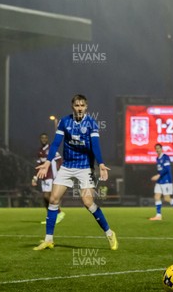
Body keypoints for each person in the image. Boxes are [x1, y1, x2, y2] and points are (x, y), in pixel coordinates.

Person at [34, 94, 117, 251]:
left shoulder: (91, 124)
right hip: (67, 166)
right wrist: (47, 162)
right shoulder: (65, 122)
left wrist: (101, 164)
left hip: (85, 167)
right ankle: (48, 239)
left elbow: (95, 145)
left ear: (86, 107)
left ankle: (109, 232)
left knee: (87, 202)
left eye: (82, 105)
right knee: (53, 200)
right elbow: (56, 144)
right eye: (77, 105)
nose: (79, 108)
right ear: (72, 107)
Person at [32, 133, 65, 224]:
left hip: (51, 176)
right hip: (43, 177)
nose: (43, 139)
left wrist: (59, 172)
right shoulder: (40, 151)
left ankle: (59, 213)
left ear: (47, 139)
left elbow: (59, 160)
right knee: (45, 198)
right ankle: (50, 217)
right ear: (40, 139)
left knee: (47, 196)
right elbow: (39, 165)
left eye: (45, 138)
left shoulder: (51, 149)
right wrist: (35, 177)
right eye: (42, 138)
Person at [148, 143, 173, 221]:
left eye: (159, 148)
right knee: (157, 196)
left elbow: (167, 169)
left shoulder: (166, 157)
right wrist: (158, 176)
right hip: (160, 180)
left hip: (166, 180)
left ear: (161, 149)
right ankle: (158, 215)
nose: (157, 150)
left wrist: (158, 175)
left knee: (167, 198)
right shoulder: (157, 158)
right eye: (156, 148)